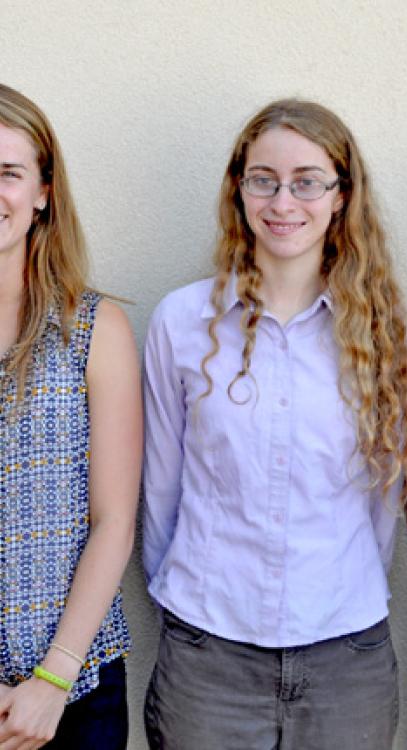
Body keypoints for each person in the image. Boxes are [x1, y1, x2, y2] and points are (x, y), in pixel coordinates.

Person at [143, 98, 407, 750]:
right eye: (264, 178)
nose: (283, 201)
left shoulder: (379, 335)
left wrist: (332, 594)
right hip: (209, 656)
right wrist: (197, 608)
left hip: (344, 658)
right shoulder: (180, 323)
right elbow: (160, 493)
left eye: (308, 181)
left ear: (341, 195)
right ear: (239, 188)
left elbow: (383, 504)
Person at [0, 83, 142, 749]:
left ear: (42, 191)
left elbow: (113, 517)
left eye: (8, 173)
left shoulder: (94, 328)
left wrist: (52, 680)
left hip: (74, 686)